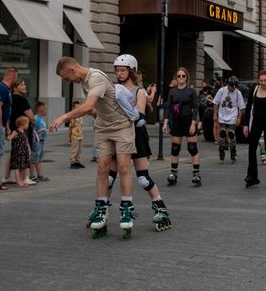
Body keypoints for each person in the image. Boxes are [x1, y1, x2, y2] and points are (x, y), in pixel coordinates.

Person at [50, 57, 137, 238]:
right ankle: (101, 208)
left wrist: (65, 117)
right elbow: (93, 108)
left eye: (67, 78)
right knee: (101, 168)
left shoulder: (95, 77)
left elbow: (88, 105)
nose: (68, 82)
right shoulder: (84, 83)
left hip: (121, 126)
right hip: (103, 127)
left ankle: (127, 208)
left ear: (73, 69)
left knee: (122, 166)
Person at [108, 54, 172, 231]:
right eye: (117, 70)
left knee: (143, 178)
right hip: (118, 135)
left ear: (131, 71)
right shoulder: (113, 90)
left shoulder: (139, 92)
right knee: (109, 177)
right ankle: (101, 209)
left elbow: (141, 118)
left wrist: (131, 110)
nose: (119, 73)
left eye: (123, 70)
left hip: (137, 135)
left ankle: (161, 209)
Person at [162, 67, 202, 187]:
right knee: (175, 148)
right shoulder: (172, 91)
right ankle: (173, 174)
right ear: (176, 78)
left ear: (186, 78)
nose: (181, 78)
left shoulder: (191, 91)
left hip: (188, 121)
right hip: (177, 122)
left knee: (192, 147)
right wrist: (165, 123)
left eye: (183, 76)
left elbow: (195, 107)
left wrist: (193, 123)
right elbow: (168, 107)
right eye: (179, 76)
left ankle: (196, 174)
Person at [243, 69, 266, 188]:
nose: (263, 83)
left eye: (265, 80)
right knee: (252, 148)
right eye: (261, 80)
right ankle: (252, 176)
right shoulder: (253, 90)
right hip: (257, 121)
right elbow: (248, 108)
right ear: (258, 81)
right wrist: (245, 124)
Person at [3, 78, 37, 185]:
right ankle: (24, 177)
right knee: (26, 152)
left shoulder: (9, 99)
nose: (24, 86)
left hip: (13, 127)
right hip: (24, 128)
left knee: (14, 152)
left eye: (24, 84)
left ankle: (6, 176)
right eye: (22, 85)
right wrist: (34, 123)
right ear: (15, 88)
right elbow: (31, 116)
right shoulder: (22, 100)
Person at [212, 75, 245, 164]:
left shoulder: (238, 93)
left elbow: (241, 107)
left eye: (234, 87)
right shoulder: (222, 90)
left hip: (232, 115)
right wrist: (215, 114)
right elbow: (215, 103)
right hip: (222, 115)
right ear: (228, 85)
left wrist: (239, 118)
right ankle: (221, 153)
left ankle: (233, 153)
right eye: (231, 87)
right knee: (222, 134)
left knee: (231, 134)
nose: (232, 89)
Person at [9, 115, 33, 187]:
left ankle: (21, 179)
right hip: (17, 152)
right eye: (27, 124)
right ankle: (18, 181)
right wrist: (6, 134)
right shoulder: (16, 132)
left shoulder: (24, 132)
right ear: (23, 124)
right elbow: (9, 138)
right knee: (17, 167)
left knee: (23, 166)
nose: (28, 125)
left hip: (24, 152)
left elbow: (26, 142)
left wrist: (29, 149)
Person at [30, 101, 49, 182]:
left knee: (39, 158)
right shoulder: (36, 119)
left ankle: (40, 175)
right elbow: (33, 130)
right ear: (41, 110)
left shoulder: (40, 119)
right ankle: (32, 175)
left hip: (41, 141)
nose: (46, 111)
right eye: (46, 109)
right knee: (34, 158)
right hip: (37, 141)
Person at [68, 101, 85, 169]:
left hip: (80, 135)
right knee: (74, 150)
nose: (78, 109)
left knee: (78, 150)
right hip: (74, 136)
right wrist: (69, 136)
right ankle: (72, 163)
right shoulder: (73, 116)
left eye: (79, 107)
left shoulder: (80, 116)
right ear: (73, 108)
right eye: (76, 107)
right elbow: (70, 127)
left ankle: (77, 162)